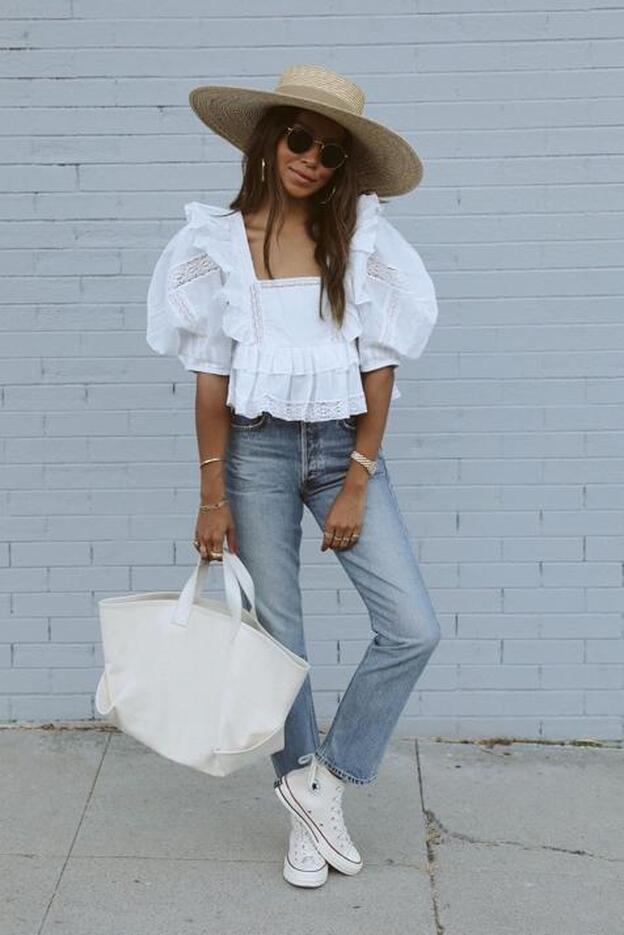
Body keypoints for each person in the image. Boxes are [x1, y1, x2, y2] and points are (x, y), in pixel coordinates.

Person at [146, 64, 441, 889]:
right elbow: (210, 381)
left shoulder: (363, 241)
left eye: (331, 151)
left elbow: (379, 368)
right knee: (280, 641)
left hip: (343, 447)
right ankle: (304, 811)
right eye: (300, 139)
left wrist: (358, 477)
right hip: (256, 452)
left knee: (412, 626)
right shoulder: (214, 245)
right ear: (270, 143)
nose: (312, 158)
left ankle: (323, 783)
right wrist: (211, 495)